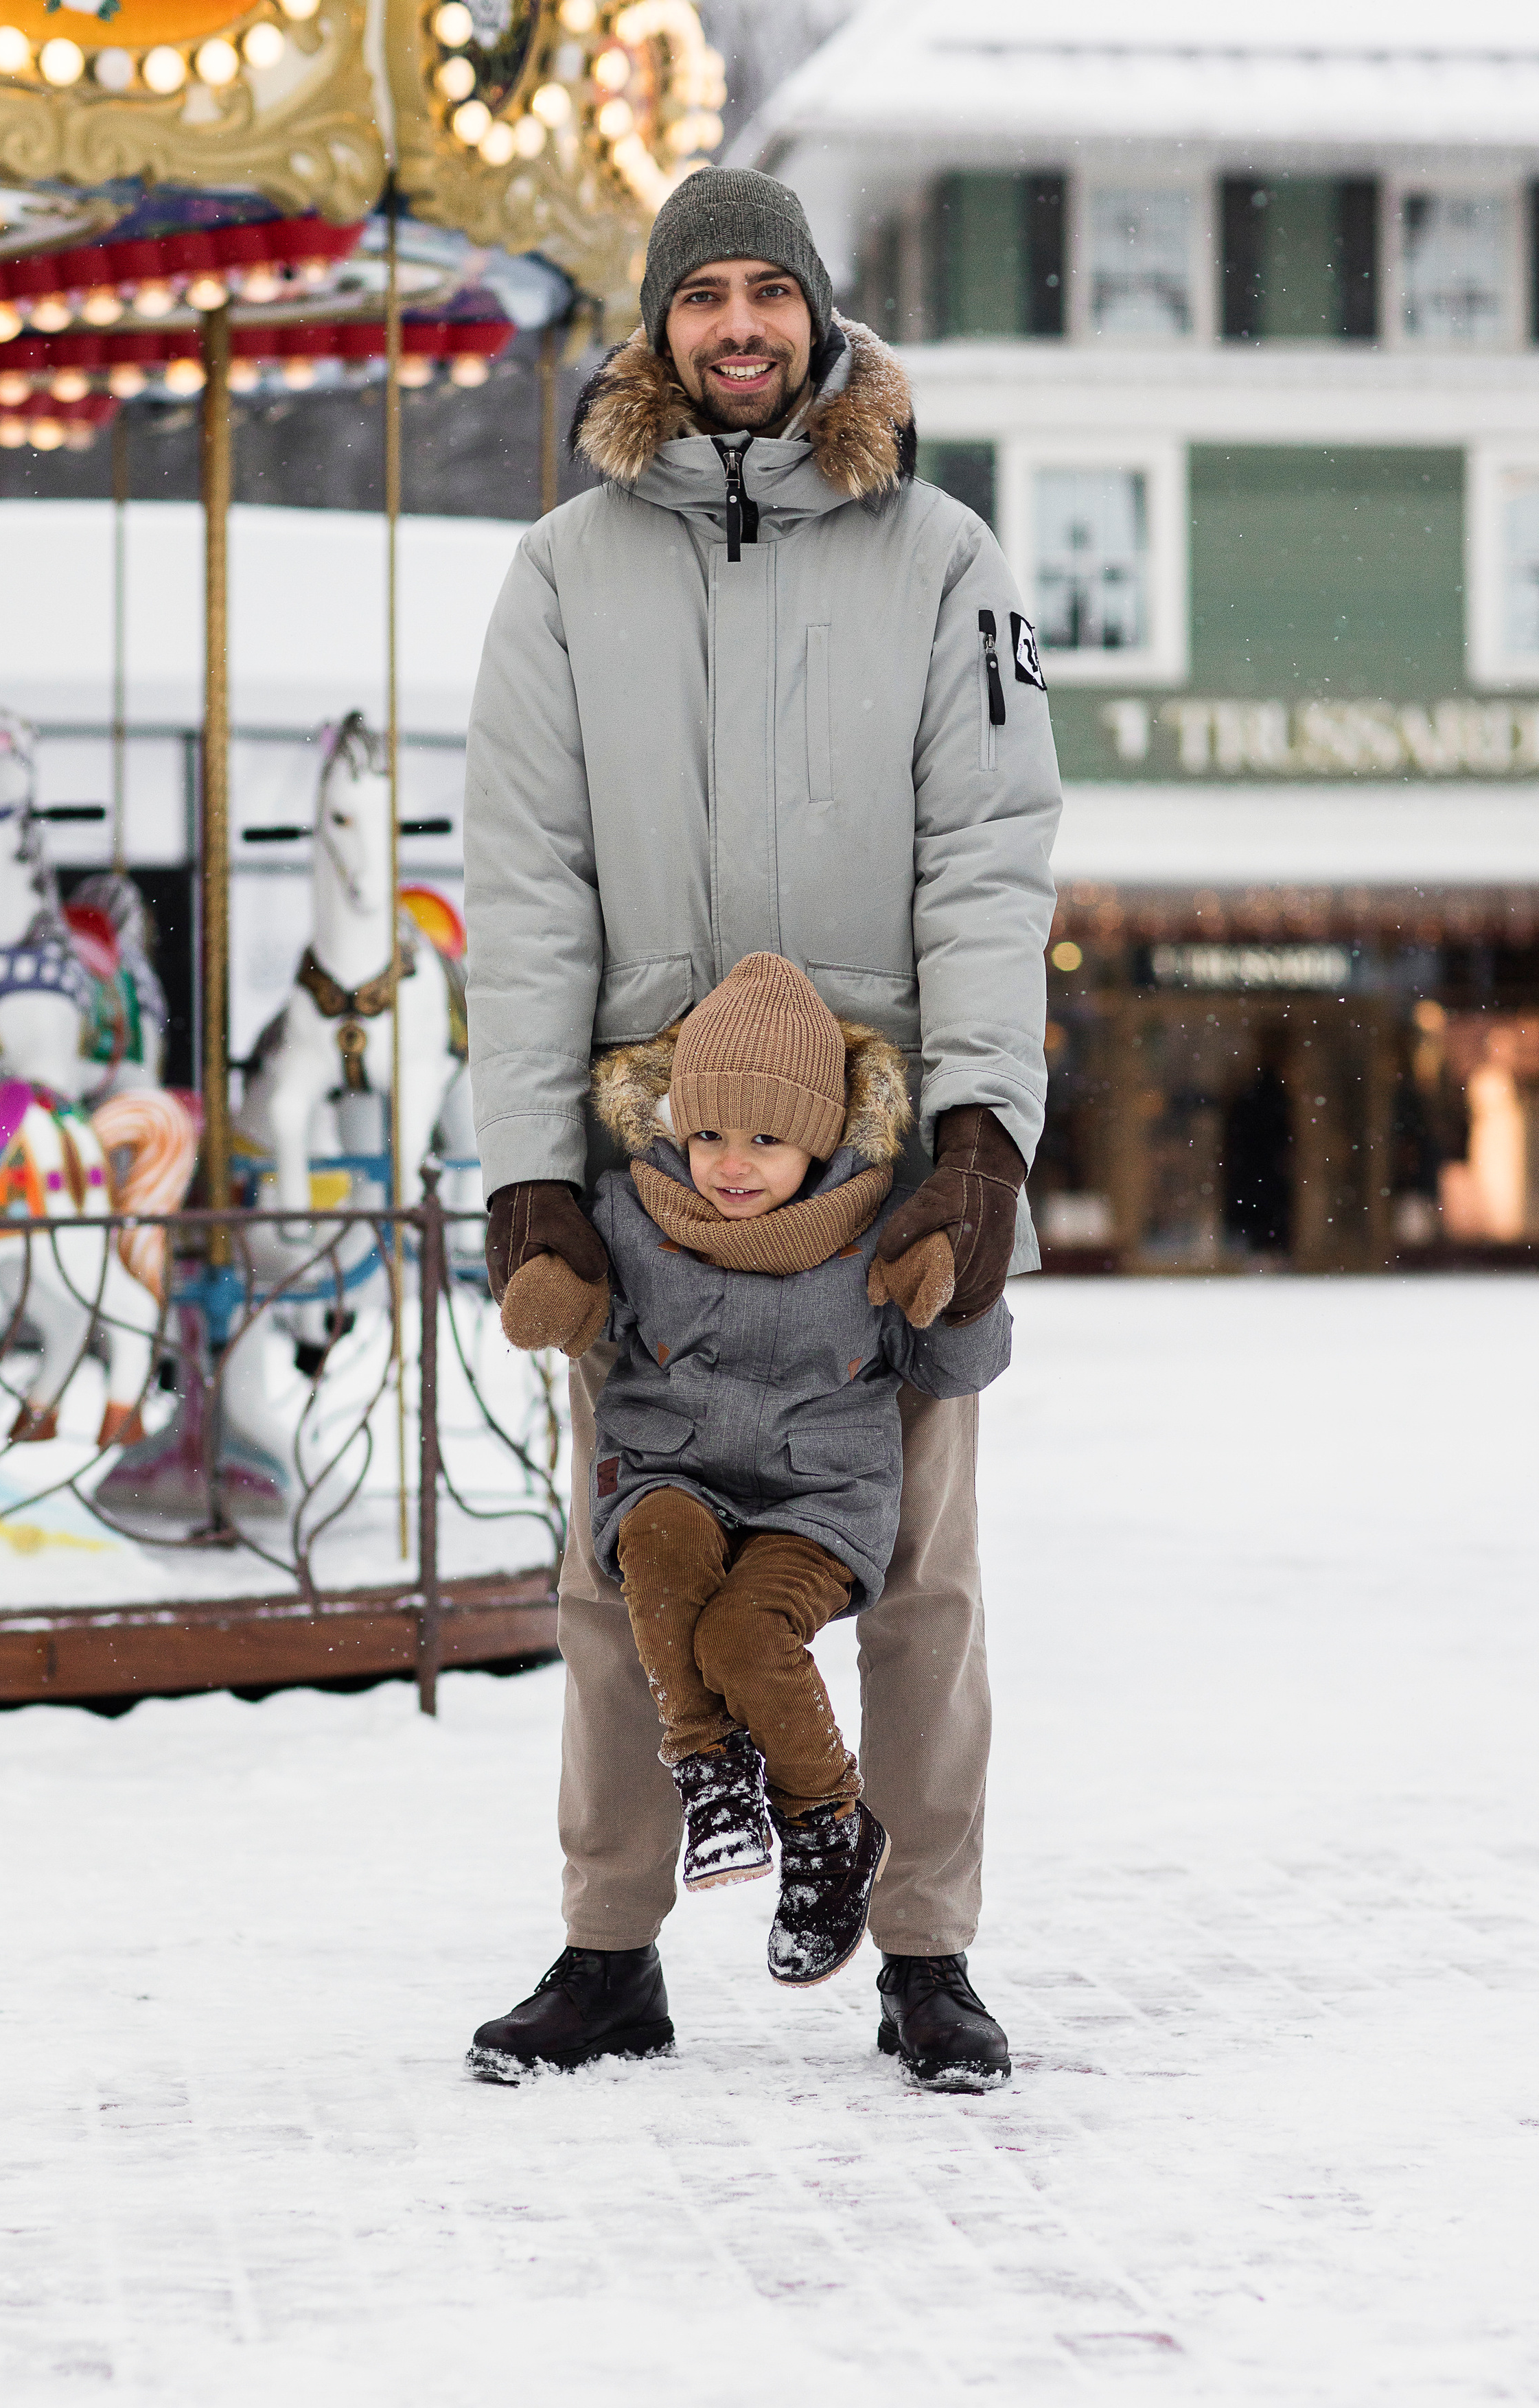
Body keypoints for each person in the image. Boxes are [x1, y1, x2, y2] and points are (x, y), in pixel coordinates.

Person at [463, 164, 1061, 2089]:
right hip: (650, 1161)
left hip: (888, 1151)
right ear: (660, 326)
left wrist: (982, 1130)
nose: (740, 324)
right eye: (704, 292)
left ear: (818, 319)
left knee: (922, 1576)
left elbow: (990, 857)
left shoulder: (941, 558)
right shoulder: (564, 572)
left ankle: (928, 1954)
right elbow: (528, 880)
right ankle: (609, 1944)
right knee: (619, 1559)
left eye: (769, 293)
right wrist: (532, 1170)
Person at [469, 956, 1012, 2081]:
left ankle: (832, 1830)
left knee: (752, 1637)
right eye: (709, 1136)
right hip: (676, 1472)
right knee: (648, 1555)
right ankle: (706, 1778)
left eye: (767, 1141)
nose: (730, 1165)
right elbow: (574, 1305)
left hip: (818, 1500)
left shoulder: (875, 1233)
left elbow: (954, 1362)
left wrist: (962, 1289)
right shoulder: (632, 1209)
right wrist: (545, 1280)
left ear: (820, 1141)